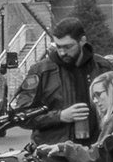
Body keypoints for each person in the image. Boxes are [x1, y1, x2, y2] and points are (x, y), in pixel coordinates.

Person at [6, 19, 98, 147]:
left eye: (68, 46)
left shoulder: (102, 68)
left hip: (97, 150)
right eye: (58, 46)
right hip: (53, 151)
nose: (62, 52)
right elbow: (21, 115)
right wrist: (59, 116)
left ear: (82, 41)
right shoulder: (41, 71)